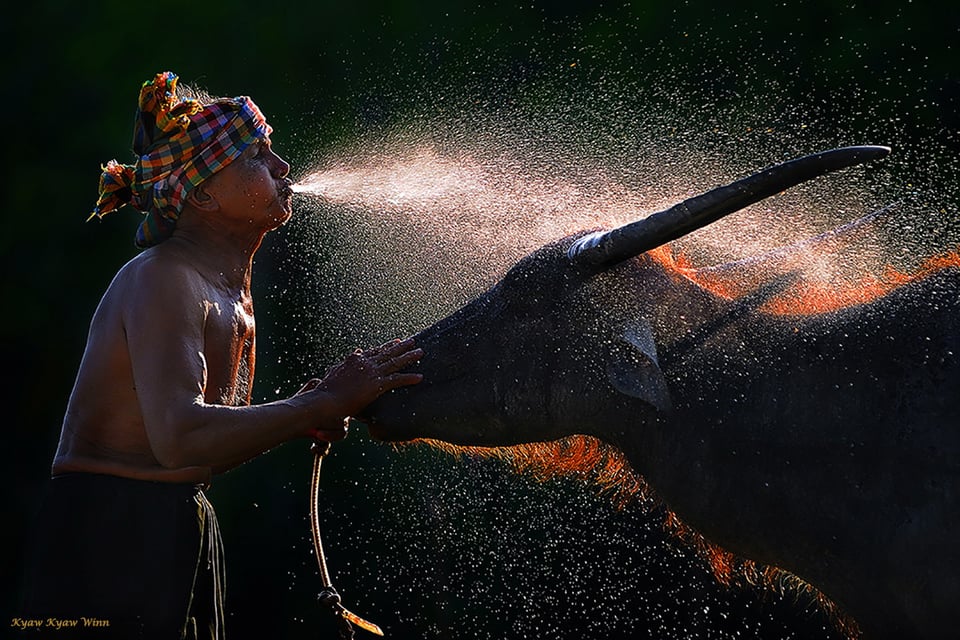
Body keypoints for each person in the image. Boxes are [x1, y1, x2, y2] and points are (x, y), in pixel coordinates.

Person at [18, 71, 422, 639]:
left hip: (177, 521)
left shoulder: (230, 296)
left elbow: (196, 453)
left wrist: (305, 410)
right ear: (203, 193)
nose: (283, 167)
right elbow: (180, 437)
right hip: (109, 536)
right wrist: (316, 405)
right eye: (258, 156)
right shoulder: (166, 279)